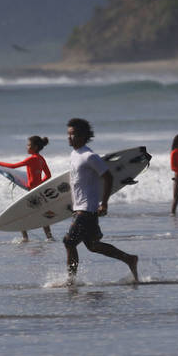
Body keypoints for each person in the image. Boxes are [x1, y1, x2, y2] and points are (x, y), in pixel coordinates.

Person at [63, 118, 139, 283]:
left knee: (69, 242)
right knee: (92, 246)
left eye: (73, 134)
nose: (69, 138)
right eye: (68, 134)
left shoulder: (90, 156)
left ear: (83, 136)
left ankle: (71, 280)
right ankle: (129, 259)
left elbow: (108, 177)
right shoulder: (74, 154)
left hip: (87, 209)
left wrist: (104, 203)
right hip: (79, 207)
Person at [0, 135, 53, 240]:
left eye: (29, 145)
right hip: (38, 190)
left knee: (20, 214)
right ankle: (49, 237)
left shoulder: (31, 159)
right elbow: (48, 175)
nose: (27, 147)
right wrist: (39, 184)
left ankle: (25, 238)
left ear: (35, 147)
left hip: (31, 192)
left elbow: (13, 166)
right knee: (42, 213)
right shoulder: (41, 159)